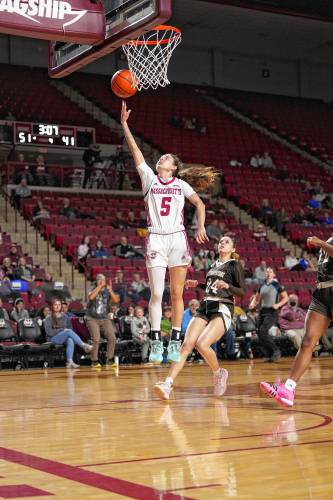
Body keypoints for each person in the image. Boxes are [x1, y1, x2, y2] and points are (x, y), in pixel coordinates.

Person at [121, 100, 217, 364]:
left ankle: (174, 341)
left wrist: (200, 225)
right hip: (156, 238)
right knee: (156, 294)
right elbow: (135, 152)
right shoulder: (149, 179)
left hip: (177, 238)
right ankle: (155, 341)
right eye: (161, 158)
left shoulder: (181, 184)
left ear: (173, 167)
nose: (161, 159)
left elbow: (200, 203)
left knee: (176, 294)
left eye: (166, 159)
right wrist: (125, 125)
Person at [154, 236, 245, 400]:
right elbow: (212, 288)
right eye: (220, 241)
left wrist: (228, 286)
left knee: (202, 344)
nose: (222, 243)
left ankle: (219, 373)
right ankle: (168, 384)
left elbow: (242, 291)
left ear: (233, 249)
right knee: (187, 344)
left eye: (227, 242)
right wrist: (199, 285)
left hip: (223, 306)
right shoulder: (213, 265)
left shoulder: (234, 265)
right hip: (206, 305)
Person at [260, 235, 333, 406]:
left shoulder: (325, 241)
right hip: (321, 292)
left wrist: (320, 243)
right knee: (307, 341)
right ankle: (289, 389)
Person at [249, 267, 289, 362]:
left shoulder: (277, 285)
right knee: (260, 333)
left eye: (270, 271)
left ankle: (276, 350)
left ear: (274, 274)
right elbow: (257, 298)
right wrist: (253, 303)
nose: (268, 273)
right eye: (267, 271)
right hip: (262, 311)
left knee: (263, 331)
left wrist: (278, 305)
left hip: (272, 312)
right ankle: (269, 354)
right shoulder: (262, 285)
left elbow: (286, 298)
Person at [44, 299, 93, 369]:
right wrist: (63, 330)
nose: (57, 306)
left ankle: (70, 362)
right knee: (68, 331)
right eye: (55, 305)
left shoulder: (65, 317)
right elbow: (49, 332)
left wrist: (64, 332)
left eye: (59, 305)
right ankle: (83, 345)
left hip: (64, 337)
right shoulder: (48, 318)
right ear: (52, 307)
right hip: (52, 338)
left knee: (70, 339)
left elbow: (71, 329)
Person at [85, 274, 118, 368]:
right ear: (96, 281)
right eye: (99, 279)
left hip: (104, 318)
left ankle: (110, 359)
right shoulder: (92, 289)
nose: (101, 281)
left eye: (103, 279)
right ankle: (94, 360)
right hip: (92, 319)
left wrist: (110, 290)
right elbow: (91, 297)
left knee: (112, 337)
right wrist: (99, 286)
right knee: (96, 339)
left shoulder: (107, 291)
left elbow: (115, 300)